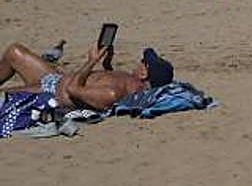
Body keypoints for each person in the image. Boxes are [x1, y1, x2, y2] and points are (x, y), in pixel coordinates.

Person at [0, 41, 173, 112]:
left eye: (143, 62)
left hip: (49, 92)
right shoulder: (128, 80)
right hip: (55, 78)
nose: (139, 62)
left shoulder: (112, 95)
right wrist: (106, 63)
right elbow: (104, 78)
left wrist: (92, 61)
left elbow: (73, 90)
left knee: (2, 96)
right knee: (14, 52)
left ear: (144, 74)